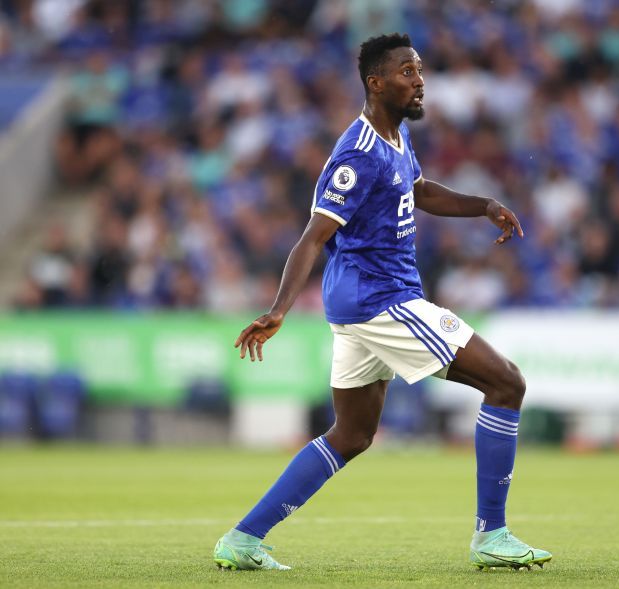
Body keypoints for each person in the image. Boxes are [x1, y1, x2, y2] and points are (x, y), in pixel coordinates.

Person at [213, 33, 552, 572]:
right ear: (377, 83)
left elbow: (419, 191)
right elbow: (312, 236)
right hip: (380, 299)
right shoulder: (358, 151)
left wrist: (483, 204)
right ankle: (493, 533)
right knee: (506, 382)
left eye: (419, 71)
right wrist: (278, 308)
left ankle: (243, 538)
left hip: (361, 305)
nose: (420, 82)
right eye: (407, 73)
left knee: (352, 435)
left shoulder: (393, 137)